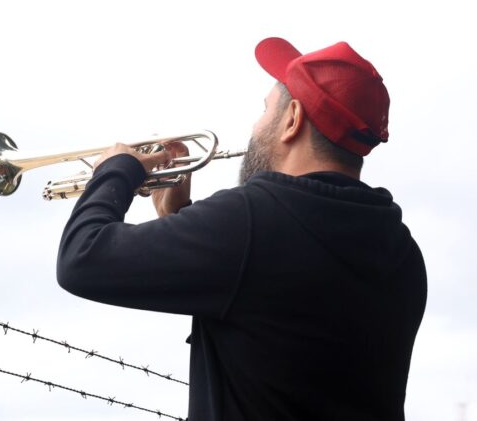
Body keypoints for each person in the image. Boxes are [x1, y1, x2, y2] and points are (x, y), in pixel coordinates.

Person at [56, 37, 427, 421]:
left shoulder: (252, 220)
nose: (255, 125)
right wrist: (179, 215)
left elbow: (82, 258)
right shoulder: (401, 250)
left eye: (265, 110)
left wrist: (117, 169)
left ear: (292, 119)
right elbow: (270, 311)